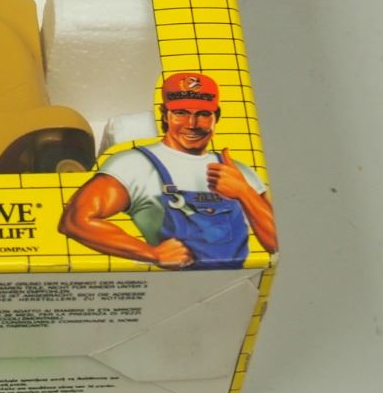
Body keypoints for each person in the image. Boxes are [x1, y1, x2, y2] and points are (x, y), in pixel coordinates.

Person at [59, 72, 277, 268]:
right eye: (180, 113)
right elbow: (76, 221)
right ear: (165, 115)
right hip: (170, 285)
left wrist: (244, 192)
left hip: (233, 283)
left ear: (216, 117)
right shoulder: (134, 164)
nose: (192, 124)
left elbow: (277, 242)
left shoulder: (237, 170)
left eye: (203, 114)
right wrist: (150, 253)